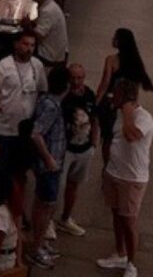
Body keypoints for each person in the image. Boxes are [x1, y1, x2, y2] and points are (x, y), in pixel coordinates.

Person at [96, 79, 153, 277]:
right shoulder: (119, 115)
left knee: (129, 221)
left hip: (132, 178)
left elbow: (131, 136)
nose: (113, 97)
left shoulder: (143, 118)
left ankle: (131, 263)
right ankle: (119, 252)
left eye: (117, 95)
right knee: (116, 215)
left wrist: (128, 111)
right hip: (114, 172)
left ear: (126, 98)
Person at [27, 65, 70, 269]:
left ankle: (40, 242)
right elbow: (36, 133)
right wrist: (49, 159)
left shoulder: (46, 101)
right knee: (47, 205)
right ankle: (36, 249)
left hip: (49, 165)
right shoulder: (52, 106)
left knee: (40, 203)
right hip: (49, 167)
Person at [96, 29, 153, 163]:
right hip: (128, 105)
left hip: (111, 103)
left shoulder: (111, 59)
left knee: (107, 137)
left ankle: (107, 165)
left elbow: (105, 83)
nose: (112, 39)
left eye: (115, 38)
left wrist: (97, 101)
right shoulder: (136, 63)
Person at [0, 31, 47, 159]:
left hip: (25, 130)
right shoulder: (3, 66)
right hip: (3, 128)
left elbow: (42, 91)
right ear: (16, 45)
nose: (29, 49)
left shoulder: (37, 65)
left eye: (32, 45)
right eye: (25, 44)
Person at [57, 64, 99, 236]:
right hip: (65, 149)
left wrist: (94, 143)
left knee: (73, 185)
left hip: (84, 148)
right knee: (58, 186)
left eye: (79, 78)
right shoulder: (63, 98)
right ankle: (47, 221)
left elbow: (95, 118)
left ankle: (66, 218)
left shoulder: (89, 95)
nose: (76, 81)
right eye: (72, 78)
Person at [25, 0, 67, 68]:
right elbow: (39, 22)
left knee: (20, 46)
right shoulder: (47, 5)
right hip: (54, 48)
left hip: (50, 53)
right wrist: (31, 23)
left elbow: (39, 35)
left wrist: (28, 25)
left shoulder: (48, 10)